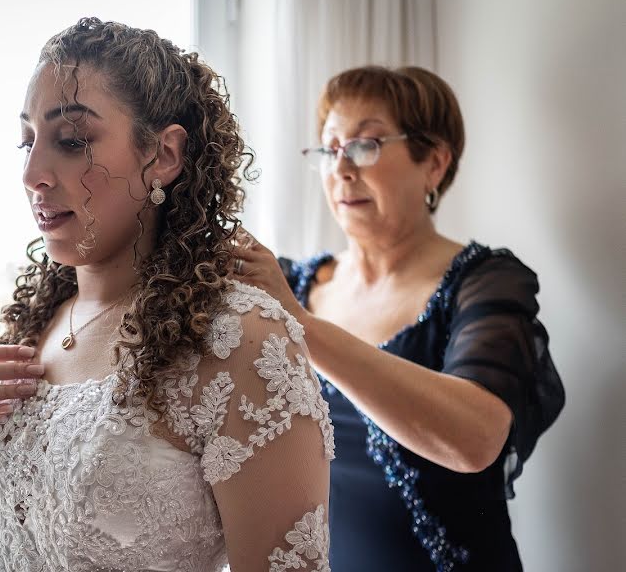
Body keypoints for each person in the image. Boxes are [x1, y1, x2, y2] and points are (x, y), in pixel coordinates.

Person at [0, 17, 334, 572]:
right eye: (27, 140)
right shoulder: (28, 326)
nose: (32, 173)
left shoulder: (239, 343)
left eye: (71, 140)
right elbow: (3, 540)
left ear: (164, 155)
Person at [231, 65, 565, 571]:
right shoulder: (292, 282)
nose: (341, 168)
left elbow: (477, 438)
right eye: (329, 148)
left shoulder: (486, 281)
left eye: (365, 145)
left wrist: (303, 327)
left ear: (433, 162)